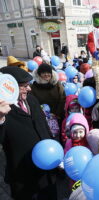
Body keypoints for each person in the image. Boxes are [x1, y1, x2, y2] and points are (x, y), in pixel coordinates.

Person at [0, 66, 70, 200]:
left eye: (28, 85)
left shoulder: (32, 100)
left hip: (47, 172)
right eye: (24, 86)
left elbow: (45, 129)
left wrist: (57, 156)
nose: (29, 89)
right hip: (24, 176)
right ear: (9, 86)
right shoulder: (3, 110)